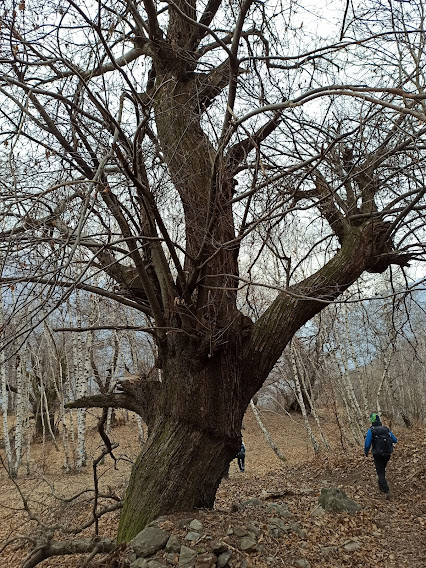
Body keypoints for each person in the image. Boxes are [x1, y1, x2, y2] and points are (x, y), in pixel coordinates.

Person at [364, 413, 397, 498]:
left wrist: (366, 452)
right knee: (382, 469)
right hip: (387, 453)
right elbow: (394, 440)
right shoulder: (386, 428)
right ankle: (381, 485)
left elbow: (367, 444)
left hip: (377, 454)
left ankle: (386, 491)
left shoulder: (371, 430)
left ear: (372, 421)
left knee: (380, 472)